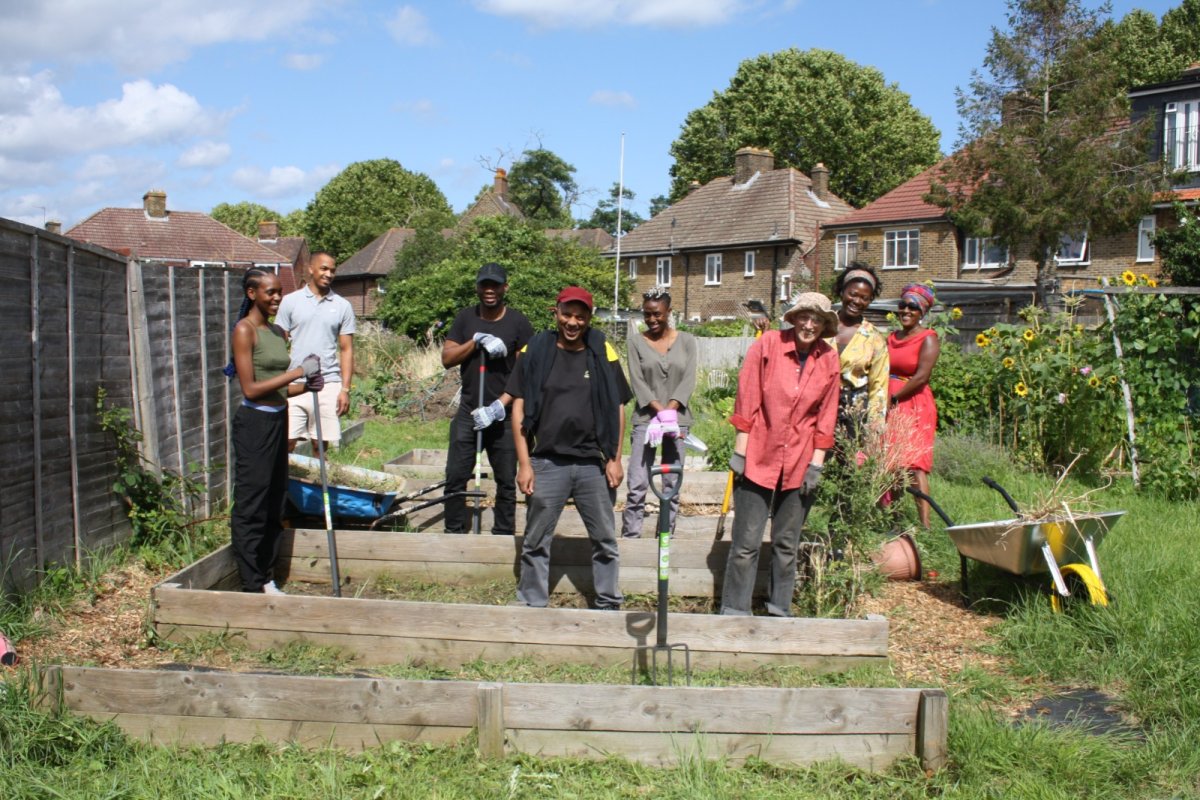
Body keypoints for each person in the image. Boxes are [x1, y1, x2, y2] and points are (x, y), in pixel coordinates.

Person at [507, 286, 632, 609]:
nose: (573, 322)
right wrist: (524, 463)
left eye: (581, 316)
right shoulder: (535, 349)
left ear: (589, 317)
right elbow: (518, 407)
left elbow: (618, 406)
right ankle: (532, 602)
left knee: (605, 539)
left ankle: (608, 601)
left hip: (593, 463)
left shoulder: (601, 350)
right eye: (567, 314)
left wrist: (615, 458)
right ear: (556, 312)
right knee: (536, 540)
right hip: (548, 462)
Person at [720, 292, 840, 617]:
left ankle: (778, 611)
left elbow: (826, 416)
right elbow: (747, 399)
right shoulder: (768, 344)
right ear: (794, 317)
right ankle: (734, 611)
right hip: (759, 455)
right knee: (746, 544)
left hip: (801, 462)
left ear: (825, 325)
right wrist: (740, 453)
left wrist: (816, 465)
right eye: (804, 316)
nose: (809, 324)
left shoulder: (828, 359)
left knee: (786, 544)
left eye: (817, 319)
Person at [228, 268, 324, 594]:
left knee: (275, 502)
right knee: (252, 503)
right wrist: (297, 371)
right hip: (254, 424)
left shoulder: (277, 333)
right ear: (251, 293)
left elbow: (280, 391)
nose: (277, 297)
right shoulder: (245, 331)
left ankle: (267, 576)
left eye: (279, 291)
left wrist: (307, 386)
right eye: (270, 292)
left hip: (278, 419)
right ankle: (250, 581)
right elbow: (252, 389)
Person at [440, 263, 534, 535]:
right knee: (456, 476)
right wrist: (475, 342)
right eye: (484, 285)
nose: (489, 290)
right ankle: (453, 533)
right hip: (469, 411)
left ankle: (503, 535)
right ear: (477, 287)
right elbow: (447, 358)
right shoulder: (465, 319)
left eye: (495, 285)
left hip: (502, 415)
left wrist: (499, 405)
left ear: (506, 287)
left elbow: (527, 372)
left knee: (506, 480)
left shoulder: (518, 323)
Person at [622, 288, 698, 538]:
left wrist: (671, 412)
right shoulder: (635, 342)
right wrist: (658, 411)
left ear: (669, 313)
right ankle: (632, 538)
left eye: (657, 314)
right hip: (646, 421)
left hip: (677, 422)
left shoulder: (687, 341)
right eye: (647, 315)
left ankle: (665, 535)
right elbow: (637, 380)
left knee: (671, 484)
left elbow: (688, 378)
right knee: (637, 483)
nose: (652, 320)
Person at [274, 252, 356, 454]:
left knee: (320, 444)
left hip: (327, 383)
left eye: (332, 270)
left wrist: (344, 390)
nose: (328, 274)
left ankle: (319, 484)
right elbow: (277, 343)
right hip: (295, 382)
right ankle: (285, 484)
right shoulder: (290, 302)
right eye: (324, 269)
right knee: (288, 442)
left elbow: (346, 349)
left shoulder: (342, 306)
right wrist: (278, 380)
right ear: (311, 269)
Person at [887, 283, 942, 528]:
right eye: (903, 306)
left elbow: (921, 376)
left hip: (914, 403)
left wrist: (894, 398)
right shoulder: (891, 338)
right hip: (890, 403)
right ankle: (894, 519)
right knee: (892, 463)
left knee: (915, 464)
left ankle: (925, 524)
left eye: (913, 307)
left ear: (922, 312)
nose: (906, 311)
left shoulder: (928, 338)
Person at [829, 263, 889, 438]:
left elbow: (878, 387)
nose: (857, 301)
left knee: (847, 463)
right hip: (815, 409)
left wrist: (874, 428)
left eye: (864, 298)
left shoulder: (875, 339)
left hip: (852, 417)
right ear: (842, 291)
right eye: (853, 294)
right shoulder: (819, 325)